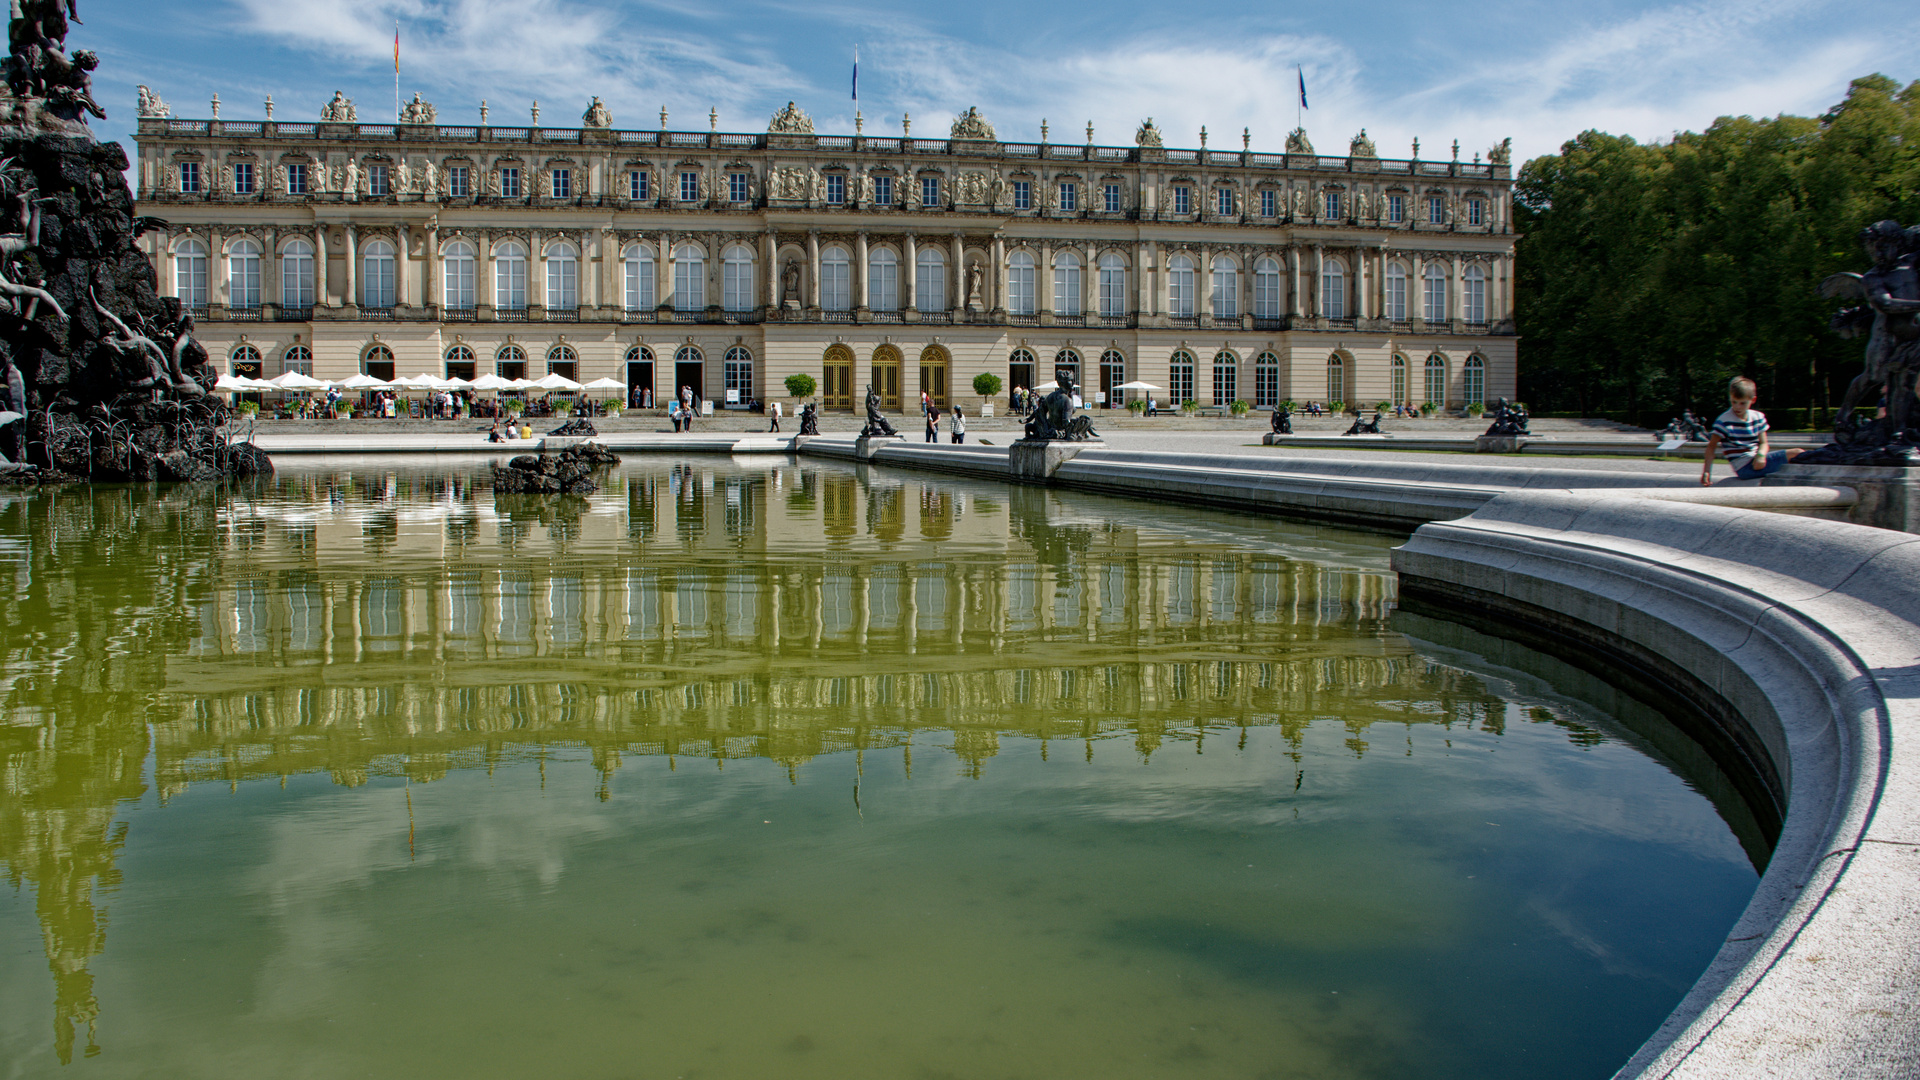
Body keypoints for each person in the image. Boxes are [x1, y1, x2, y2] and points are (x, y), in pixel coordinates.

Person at [1703, 376, 1803, 485]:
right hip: (1744, 468)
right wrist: (1706, 471)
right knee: (1797, 453)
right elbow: (1711, 447)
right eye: (1734, 402)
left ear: (1753, 400)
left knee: (1798, 454)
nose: (1737, 407)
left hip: (1756, 460)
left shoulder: (1758, 417)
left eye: (1742, 403)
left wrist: (1761, 455)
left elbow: (1764, 443)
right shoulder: (1723, 421)